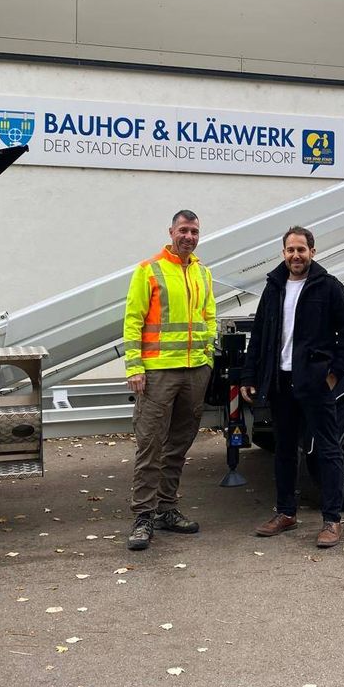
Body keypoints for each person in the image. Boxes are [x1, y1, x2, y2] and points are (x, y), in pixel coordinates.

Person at [241, 226, 344, 548]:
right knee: (284, 450)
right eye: (290, 250)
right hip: (281, 382)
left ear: (312, 252)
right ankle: (286, 513)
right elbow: (261, 338)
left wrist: (333, 376)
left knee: (327, 451)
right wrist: (250, 376)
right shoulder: (274, 287)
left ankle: (333, 520)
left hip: (315, 384)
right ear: (283, 254)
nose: (296, 255)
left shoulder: (329, 287)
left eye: (301, 250)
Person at [123, 209, 216, 551]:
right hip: (158, 372)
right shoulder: (149, 270)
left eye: (194, 231)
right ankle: (143, 517)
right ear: (171, 232)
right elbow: (132, 321)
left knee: (178, 445)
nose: (189, 236)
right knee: (150, 445)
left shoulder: (203, 273)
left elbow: (209, 316)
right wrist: (134, 367)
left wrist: (207, 356)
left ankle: (166, 509)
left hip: (195, 372)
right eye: (183, 230)